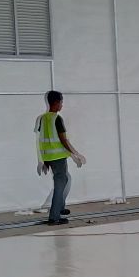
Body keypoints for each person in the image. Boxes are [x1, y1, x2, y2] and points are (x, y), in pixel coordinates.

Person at [35, 90, 85, 225]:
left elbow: (40, 140)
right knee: (60, 186)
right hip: (58, 158)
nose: (62, 105)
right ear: (56, 103)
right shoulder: (57, 119)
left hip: (49, 157)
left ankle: (60, 208)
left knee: (66, 179)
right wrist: (76, 154)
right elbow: (63, 140)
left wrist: (44, 160)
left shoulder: (43, 118)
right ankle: (54, 217)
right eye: (61, 102)